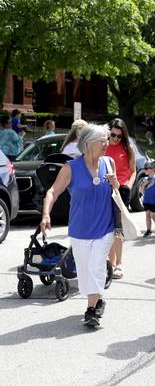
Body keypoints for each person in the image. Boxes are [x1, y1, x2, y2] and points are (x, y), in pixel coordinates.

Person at [40, 124, 119, 327]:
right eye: (102, 140)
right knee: (84, 271)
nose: (106, 144)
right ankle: (98, 299)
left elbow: (117, 193)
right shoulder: (71, 168)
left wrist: (116, 184)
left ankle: (91, 309)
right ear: (88, 143)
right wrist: (46, 214)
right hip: (80, 229)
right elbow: (52, 192)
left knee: (96, 265)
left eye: (107, 139)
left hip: (105, 228)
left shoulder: (109, 163)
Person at [104, 118, 136, 280]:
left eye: (119, 136)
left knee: (117, 228)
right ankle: (109, 262)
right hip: (103, 189)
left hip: (121, 190)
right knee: (106, 228)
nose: (115, 139)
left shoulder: (128, 148)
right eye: (113, 135)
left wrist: (128, 186)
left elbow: (133, 171)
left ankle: (118, 264)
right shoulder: (102, 146)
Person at [141, 161, 155, 236]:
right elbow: (141, 191)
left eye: (146, 168)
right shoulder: (145, 179)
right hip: (147, 200)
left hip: (154, 200)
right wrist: (143, 185)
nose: (144, 170)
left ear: (153, 169)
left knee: (153, 215)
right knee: (147, 215)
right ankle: (148, 229)